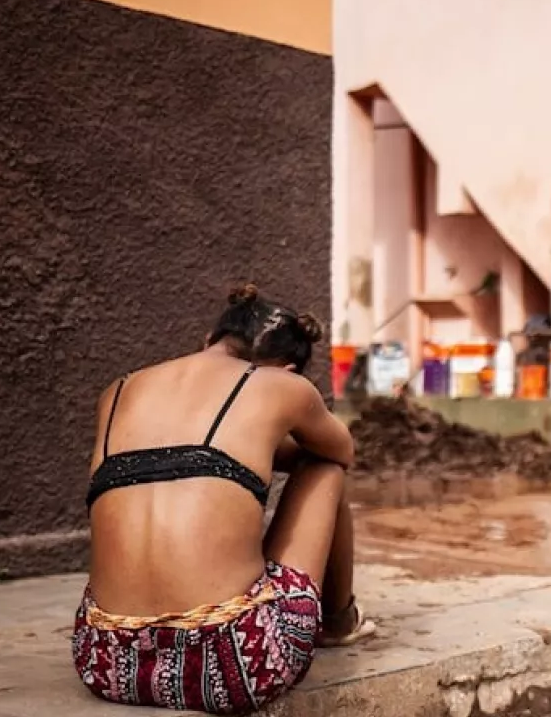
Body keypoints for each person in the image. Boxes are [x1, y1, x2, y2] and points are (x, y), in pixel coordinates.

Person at [72, 284, 377, 715]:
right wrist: (268, 436)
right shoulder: (282, 387)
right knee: (324, 466)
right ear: (287, 370)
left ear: (209, 341)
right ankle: (338, 621)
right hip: (233, 662)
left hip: (107, 661)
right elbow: (340, 450)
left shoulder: (119, 390)